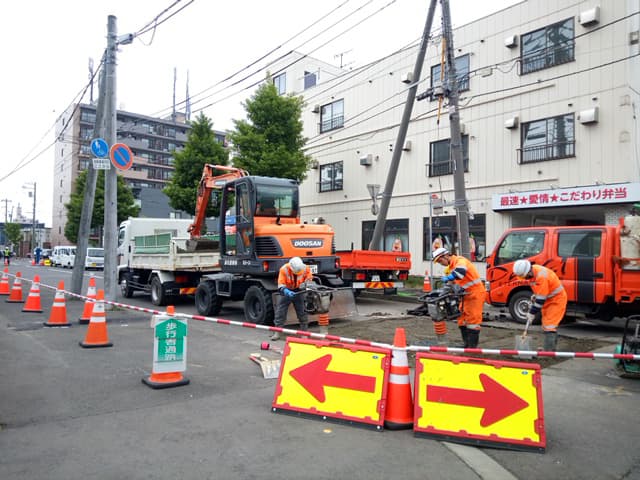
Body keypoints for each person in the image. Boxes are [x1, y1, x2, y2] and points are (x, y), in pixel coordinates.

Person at [433, 247, 485, 347]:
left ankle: (472, 347)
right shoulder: (452, 267)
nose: (441, 263)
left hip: (475, 294)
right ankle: (466, 344)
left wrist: (449, 277)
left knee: (473, 320)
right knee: (461, 319)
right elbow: (453, 282)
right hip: (465, 295)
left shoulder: (459, 261)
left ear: (446, 255)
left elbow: (460, 273)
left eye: (440, 261)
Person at [513, 259, 567, 352]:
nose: (525, 278)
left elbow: (540, 301)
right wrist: (536, 295)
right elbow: (541, 290)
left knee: (549, 325)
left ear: (528, 271)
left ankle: (549, 351)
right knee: (546, 324)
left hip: (556, 300)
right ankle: (549, 348)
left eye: (525, 276)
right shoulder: (533, 273)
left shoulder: (541, 276)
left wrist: (531, 313)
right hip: (549, 299)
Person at [271, 256, 313, 341]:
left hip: (299, 290)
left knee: (302, 311)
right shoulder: (284, 269)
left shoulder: (305, 268)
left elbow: (309, 279)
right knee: (281, 311)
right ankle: (277, 332)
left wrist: (306, 285)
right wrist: (286, 291)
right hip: (287, 290)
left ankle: (304, 333)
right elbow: (281, 284)